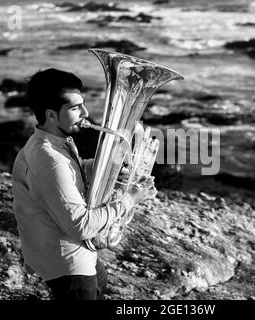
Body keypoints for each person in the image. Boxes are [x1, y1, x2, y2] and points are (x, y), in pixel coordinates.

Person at [12, 68, 156, 300]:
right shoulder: (50, 161)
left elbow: (71, 172)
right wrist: (130, 199)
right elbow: (81, 226)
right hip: (66, 262)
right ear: (52, 114)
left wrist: (117, 168)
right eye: (75, 107)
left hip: (60, 249)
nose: (86, 113)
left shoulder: (53, 143)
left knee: (101, 279)